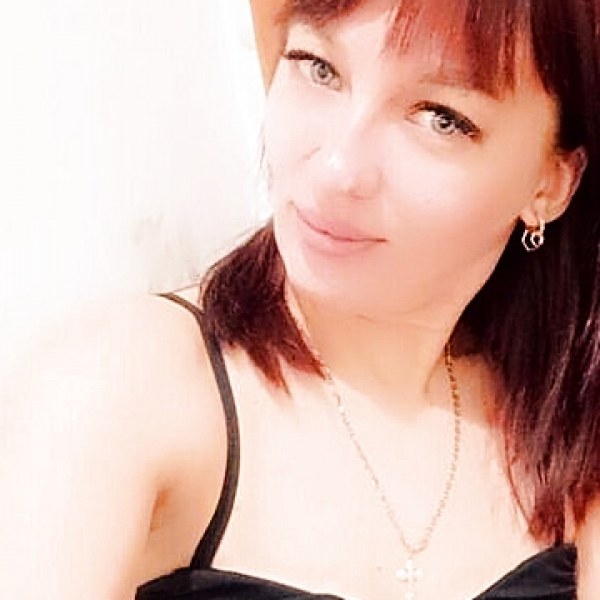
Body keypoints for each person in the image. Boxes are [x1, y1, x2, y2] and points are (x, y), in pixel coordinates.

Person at [3, 0, 600, 598]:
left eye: (441, 118)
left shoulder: (563, 425)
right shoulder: (124, 384)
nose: (339, 168)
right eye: (318, 68)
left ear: (551, 183)